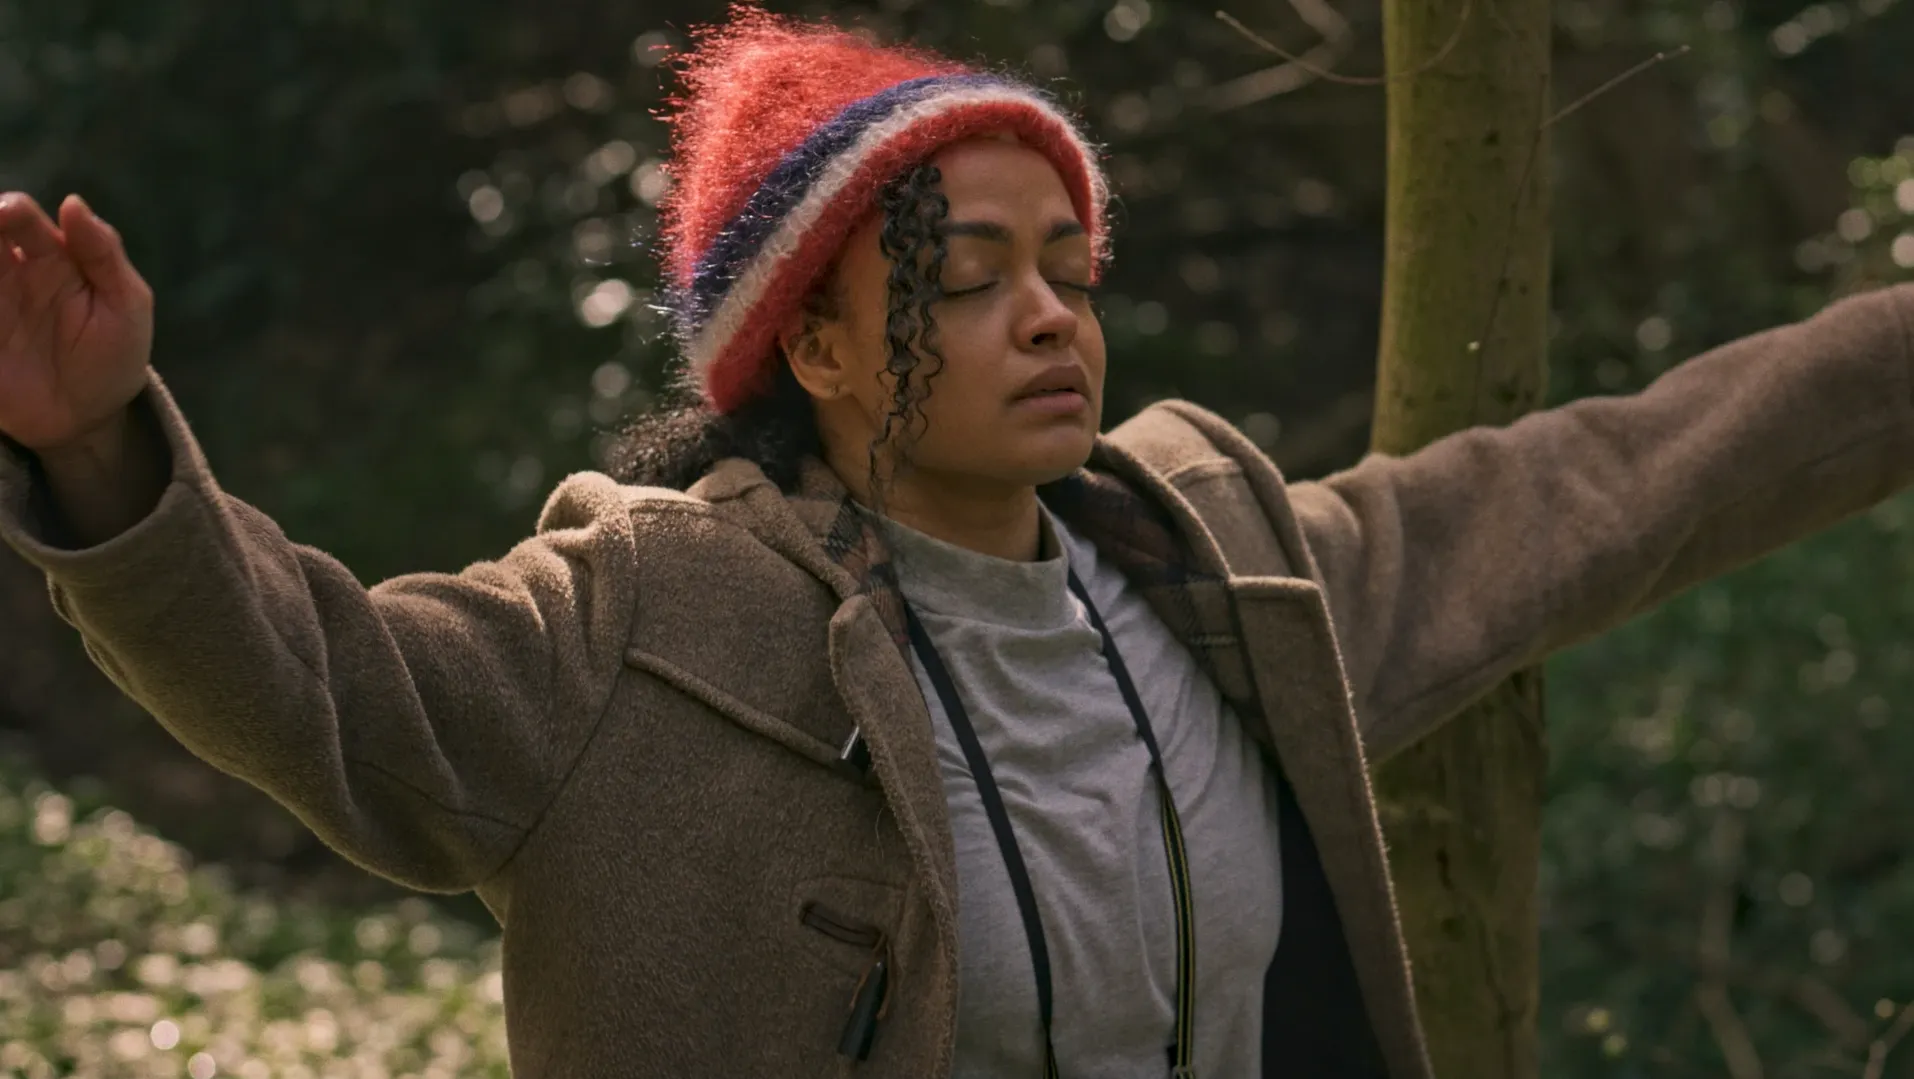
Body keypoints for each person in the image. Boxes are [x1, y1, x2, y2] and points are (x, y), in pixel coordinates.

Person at [1, 10, 1910, 1079]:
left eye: (1069, 267)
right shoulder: (641, 621)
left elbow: (1611, 482)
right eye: (970, 277)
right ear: (814, 347)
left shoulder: (1219, 568)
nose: (1051, 315)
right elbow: (319, 683)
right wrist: (96, 443)